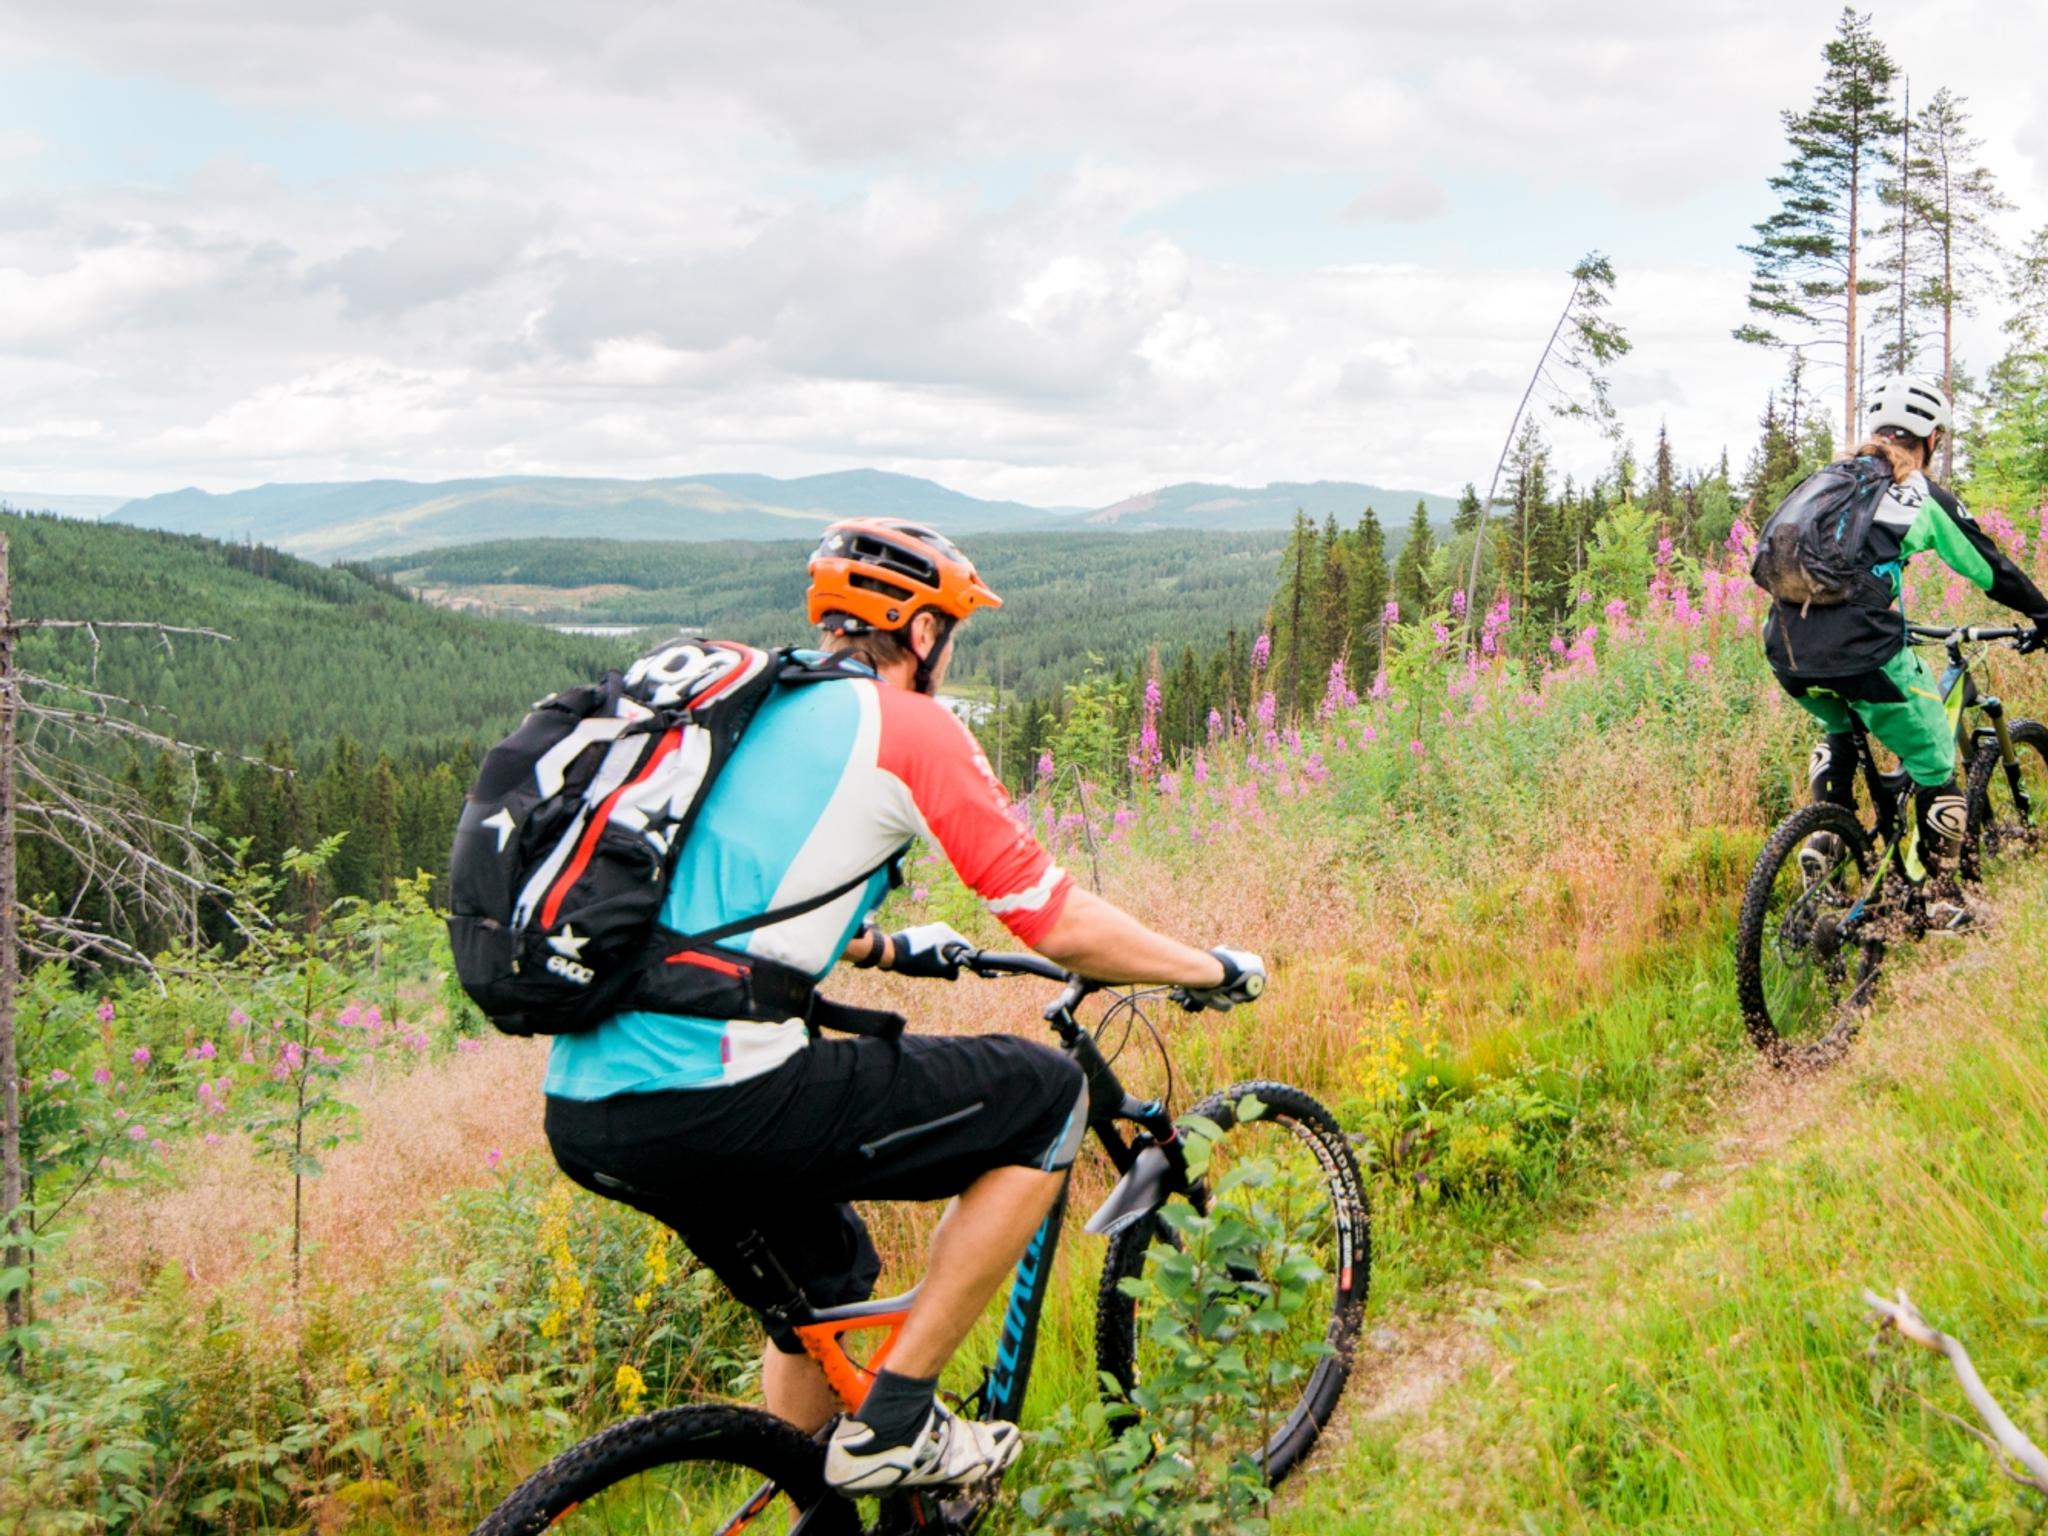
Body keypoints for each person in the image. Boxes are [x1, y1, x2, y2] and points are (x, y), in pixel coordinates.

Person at [541, 517, 1265, 1493]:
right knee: (1046, 1095)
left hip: (589, 1104)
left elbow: (734, 905)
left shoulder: (754, 710)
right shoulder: (911, 725)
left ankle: (810, 1502)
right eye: (952, 630)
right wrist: (1203, 969)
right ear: (921, 634)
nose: (951, 648)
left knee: (828, 1295)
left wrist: (886, 946)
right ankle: (898, 1419)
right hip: (716, 1091)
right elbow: (1054, 920)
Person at [1765, 375, 2048, 901]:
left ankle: (1827, 839)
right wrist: (2043, 614)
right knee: (1938, 762)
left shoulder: (1828, 480)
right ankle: (1941, 903)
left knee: (1840, 732)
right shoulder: (1917, 491)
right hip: (1862, 652)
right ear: (1931, 440)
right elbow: (1991, 568)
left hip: (1787, 651)